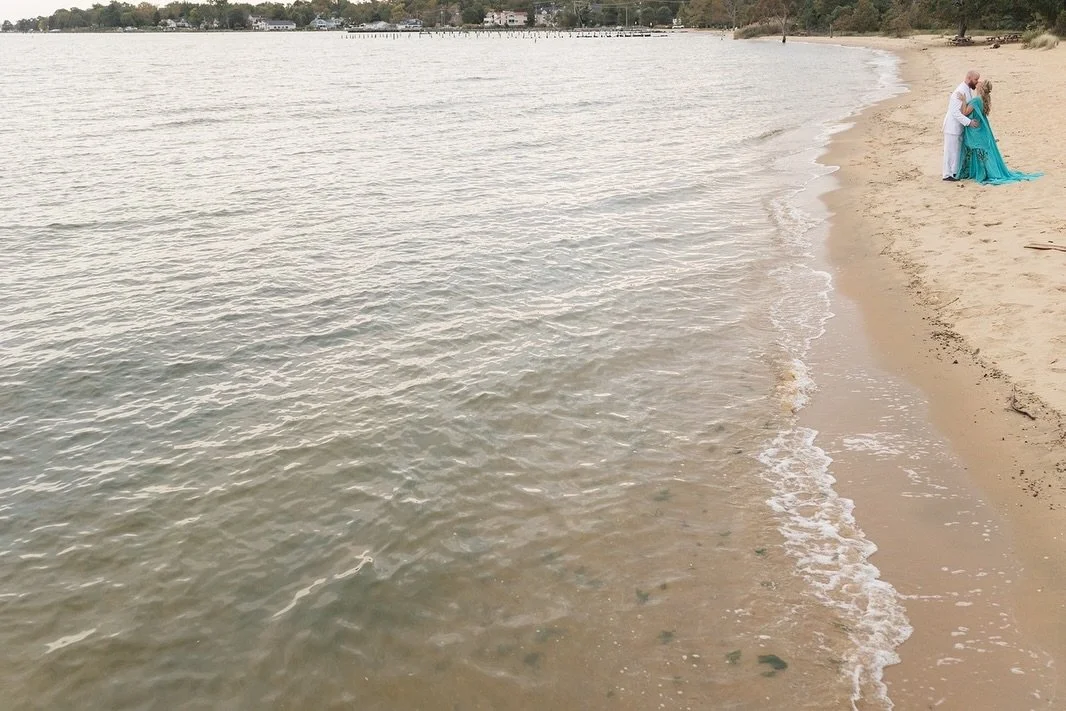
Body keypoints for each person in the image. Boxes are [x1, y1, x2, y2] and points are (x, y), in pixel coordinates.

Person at [956, 80, 1042, 185]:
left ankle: (981, 173)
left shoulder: (976, 101)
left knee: (978, 151)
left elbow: (964, 113)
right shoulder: (982, 100)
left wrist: (964, 100)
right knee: (982, 153)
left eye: (979, 83)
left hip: (976, 131)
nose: (977, 83)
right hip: (981, 130)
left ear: (980, 88)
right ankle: (983, 172)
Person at [942, 70, 980, 181]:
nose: (977, 82)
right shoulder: (959, 91)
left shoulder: (967, 89)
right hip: (952, 127)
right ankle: (947, 174)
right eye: (975, 79)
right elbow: (955, 112)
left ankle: (954, 172)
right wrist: (969, 122)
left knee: (956, 151)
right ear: (969, 78)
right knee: (950, 151)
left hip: (958, 128)